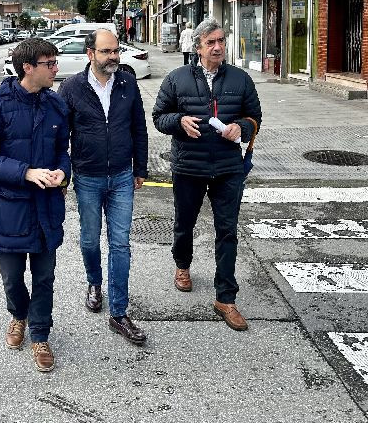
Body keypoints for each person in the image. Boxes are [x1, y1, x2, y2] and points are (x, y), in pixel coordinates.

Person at [152, 17, 261, 331]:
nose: (217, 47)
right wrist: (179, 121)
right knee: (184, 223)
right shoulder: (176, 78)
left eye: (221, 41)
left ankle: (226, 297)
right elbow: (159, 117)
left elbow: (255, 116)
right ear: (197, 47)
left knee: (227, 231)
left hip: (228, 167)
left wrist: (242, 127)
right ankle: (182, 264)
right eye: (210, 42)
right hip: (190, 166)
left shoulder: (241, 79)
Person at [0, 38, 71, 373]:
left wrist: (63, 173)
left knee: (44, 277)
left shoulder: (56, 105)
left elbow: (62, 152)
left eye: (55, 62)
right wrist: (26, 172)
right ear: (28, 67)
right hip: (10, 210)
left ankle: (40, 334)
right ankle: (18, 315)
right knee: (12, 277)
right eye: (49, 64)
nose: (55, 69)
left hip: (46, 208)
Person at [58, 30, 149, 346]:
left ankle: (119, 313)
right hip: (87, 176)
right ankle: (94, 282)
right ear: (90, 54)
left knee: (120, 243)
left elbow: (139, 127)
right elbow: (60, 137)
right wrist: (64, 175)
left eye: (116, 51)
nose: (113, 57)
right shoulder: (71, 88)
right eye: (107, 51)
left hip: (122, 175)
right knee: (89, 238)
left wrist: (141, 168)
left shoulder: (127, 83)